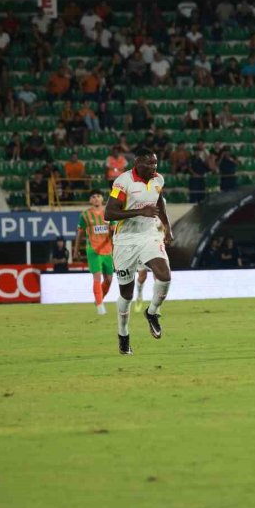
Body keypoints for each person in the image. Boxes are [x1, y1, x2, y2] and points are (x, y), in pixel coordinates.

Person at [104, 149, 173, 355]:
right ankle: (123, 336)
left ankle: (152, 312)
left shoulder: (158, 180)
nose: (154, 168)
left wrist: (167, 227)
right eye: (149, 164)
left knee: (164, 276)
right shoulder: (122, 182)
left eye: (156, 163)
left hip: (149, 235)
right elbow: (109, 213)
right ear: (137, 163)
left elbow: (159, 202)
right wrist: (140, 211)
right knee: (126, 294)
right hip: (125, 241)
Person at [74, 189, 115, 314]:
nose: (96, 198)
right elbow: (80, 233)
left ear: (102, 199)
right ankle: (99, 305)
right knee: (97, 276)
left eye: (98, 196)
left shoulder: (109, 213)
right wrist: (76, 250)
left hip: (108, 250)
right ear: (90, 200)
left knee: (109, 280)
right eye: (93, 196)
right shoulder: (85, 215)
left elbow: (114, 230)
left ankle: (99, 298)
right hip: (93, 249)